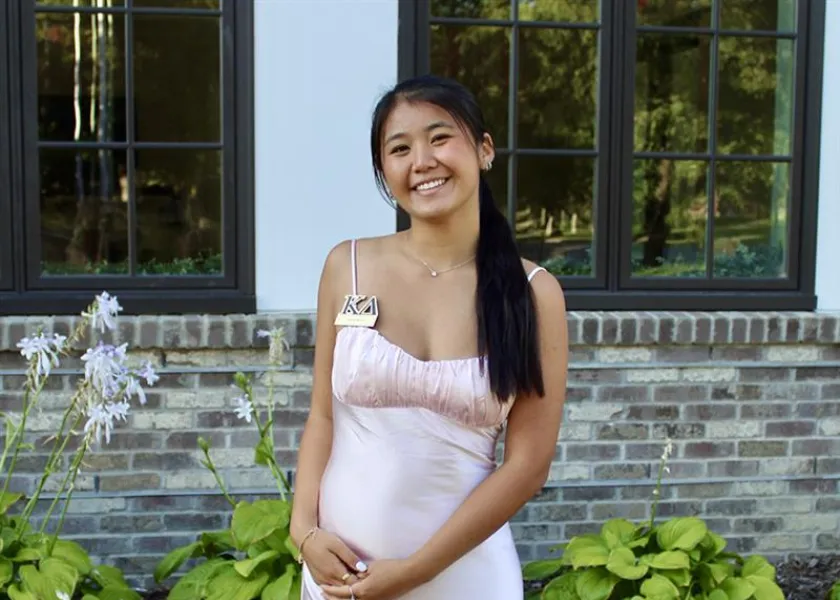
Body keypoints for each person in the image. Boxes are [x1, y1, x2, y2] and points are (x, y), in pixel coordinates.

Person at [289, 75, 569, 600]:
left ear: (484, 150)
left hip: (468, 580)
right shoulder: (347, 266)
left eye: (440, 138)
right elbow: (323, 416)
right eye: (400, 149)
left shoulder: (534, 293)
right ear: (384, 170)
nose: (422, 161)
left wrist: (414, 571)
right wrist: (303, 530)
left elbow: (528, 466)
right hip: (341, 580)